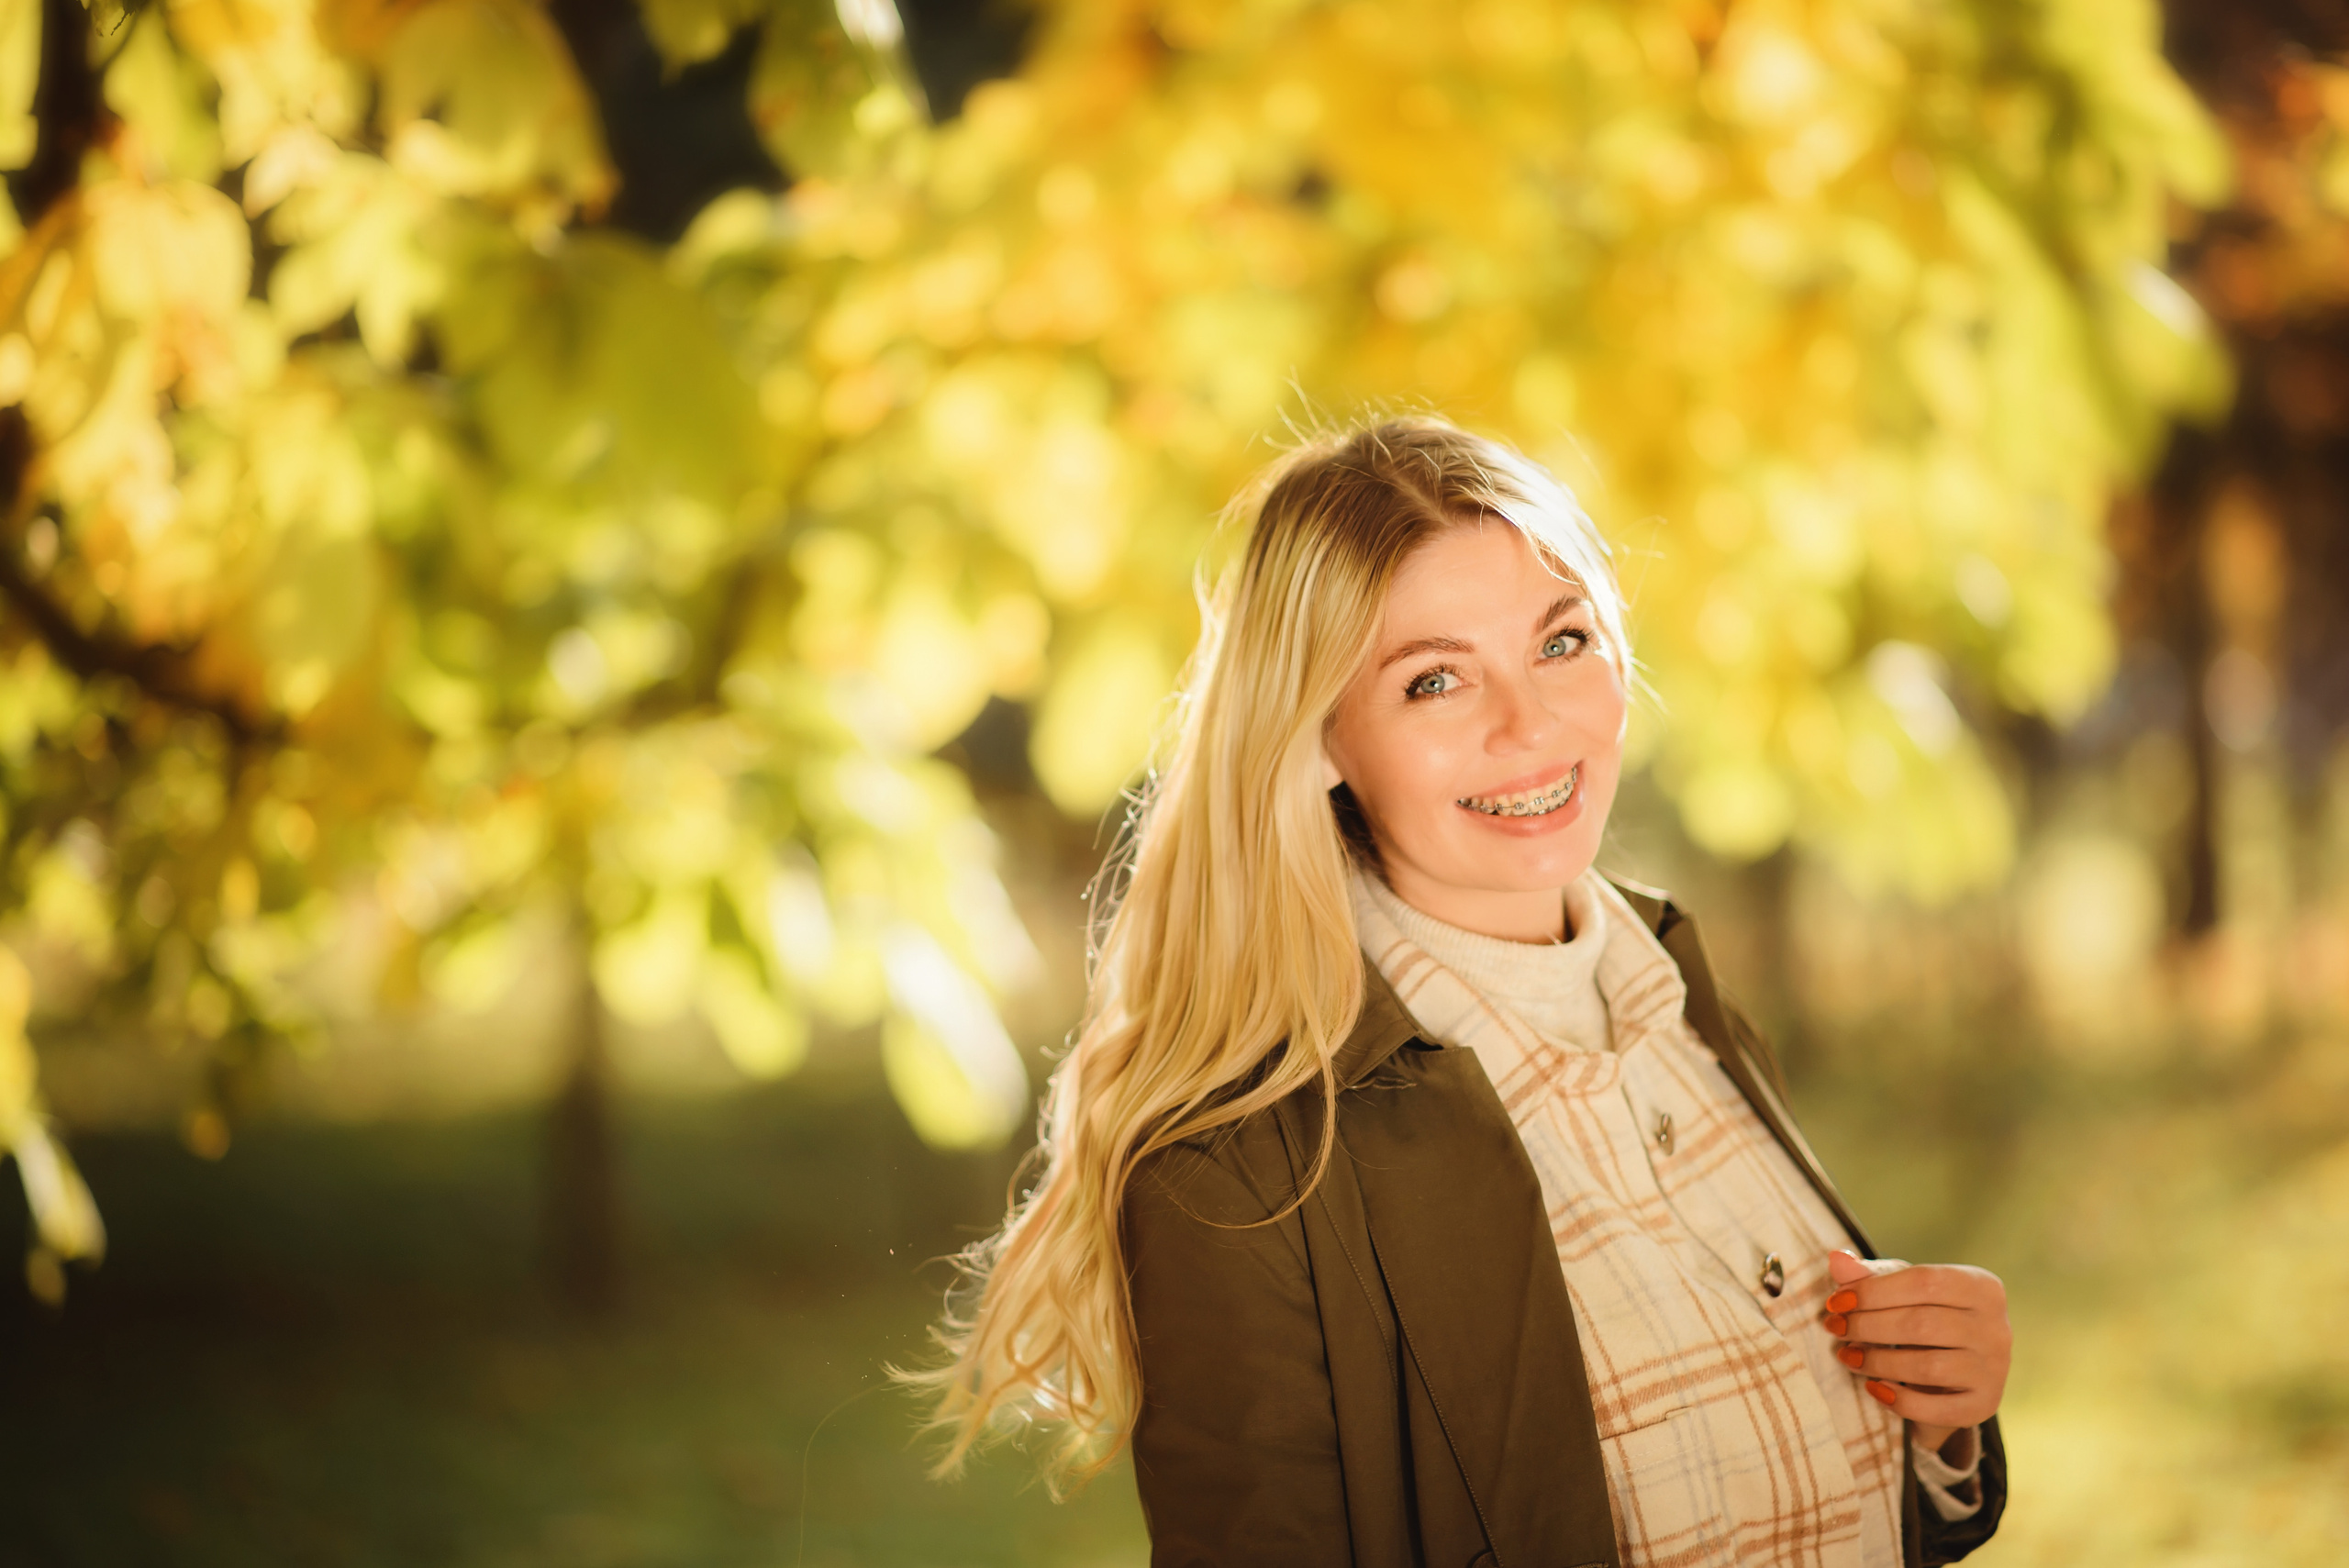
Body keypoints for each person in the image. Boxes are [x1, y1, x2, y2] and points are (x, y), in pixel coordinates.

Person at [915, 416, 2011, 1567]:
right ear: (1320, 735)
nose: (1529, 723)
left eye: (1561, 640)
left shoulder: (1679, 998)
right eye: (1434, 679)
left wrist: (1937, 1419)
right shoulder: (1238, 1168)